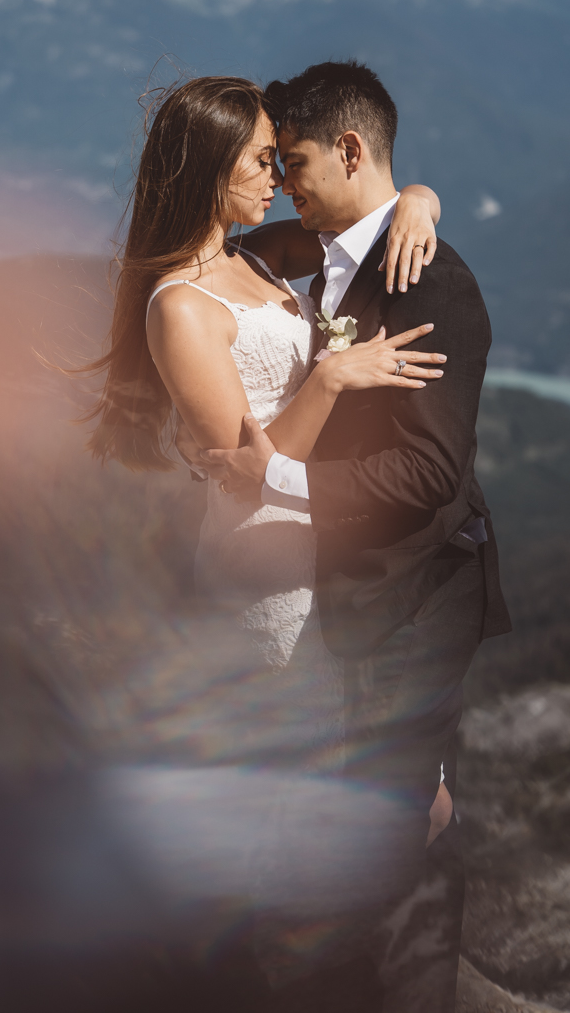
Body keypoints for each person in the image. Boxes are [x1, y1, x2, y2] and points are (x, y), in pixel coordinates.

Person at [83, 72, 454, 1002]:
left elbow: (364, 220)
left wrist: (417, 198)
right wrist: (329, 380)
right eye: (260, 161)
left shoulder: (260, 256)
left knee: (409, 797)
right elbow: (244, 468)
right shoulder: (178, 305)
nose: (278, 179)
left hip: (328, 551)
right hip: (266, 573)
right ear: (212, 170)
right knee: (312, 807)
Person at [184, 60, 512, 1012]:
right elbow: (211, 251)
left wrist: (272, 477)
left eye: (291, 162)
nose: (281, 182)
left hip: (413, 594)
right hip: (343, 583)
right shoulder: (321, 245)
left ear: (350, 150)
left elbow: (427, 475)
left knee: (388, 830)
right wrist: (418, 194)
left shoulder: (430, 282)